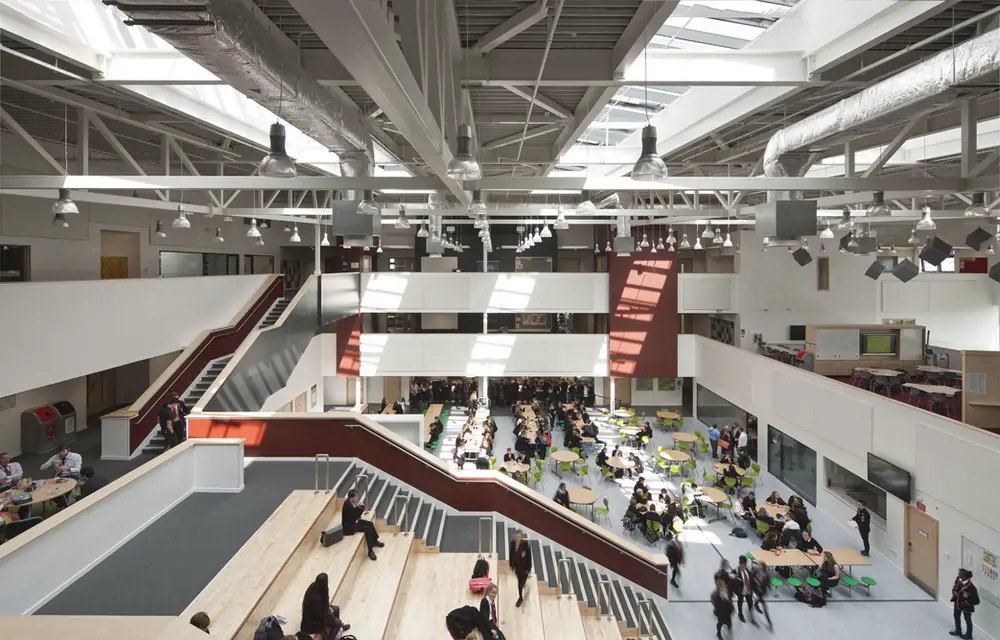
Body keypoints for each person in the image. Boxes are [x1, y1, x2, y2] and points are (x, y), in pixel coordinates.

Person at [300, 573, 350, 638]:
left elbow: (325, 604)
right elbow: (320, 615)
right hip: (313, 622)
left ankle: (337, 628)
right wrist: (330, 614)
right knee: (337, 622)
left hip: (318, 614)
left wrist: (329, 609)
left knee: (336, 609)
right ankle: (332, 636)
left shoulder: (314, 587)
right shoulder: (317, 599)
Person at [342, 489, 384, 560]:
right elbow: (356, 514)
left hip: (354, 521)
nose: (357, 498)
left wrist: (358, 507)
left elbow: (355, 514)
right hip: (349, 527)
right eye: (356, 497)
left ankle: (375, 541)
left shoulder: (350, 503)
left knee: (370, 524)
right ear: (352, 498)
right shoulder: (347, 504)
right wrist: (361, 507)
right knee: (368, 529)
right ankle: (370, 551)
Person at [950, 568, 979, 639]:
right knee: (956, 615)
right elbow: (955, 586)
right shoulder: (958, 579)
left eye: (960, 574)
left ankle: (969, 635)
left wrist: (966, 600)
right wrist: (954, 591)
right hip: (958, 603)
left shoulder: (972, 588)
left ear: (965, 576)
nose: (958, 575)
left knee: (968, 619)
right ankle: (958, 630)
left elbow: (976, 601)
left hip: (966, 606)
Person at [509, 530, 532, 608]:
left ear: (521, 537)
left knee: (521, 582)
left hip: (524, 567)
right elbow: (511, 554)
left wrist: (528, 568)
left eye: (519, 536)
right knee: (519, 582)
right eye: (516, 536)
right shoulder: (512, 544)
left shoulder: (525, 545)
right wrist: (511, 565)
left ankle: (521, 592)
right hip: (517, 567)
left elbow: (529, 557)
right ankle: (520, 596)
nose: (517, 538)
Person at [750, 562, 774, 632]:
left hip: (761, 592)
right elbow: (752, 579)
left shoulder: (766, 575)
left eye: (760, 567)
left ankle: (756, 605)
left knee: (759, 603)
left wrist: (769, 589)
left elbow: (768, 583)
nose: (758, 567)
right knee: (764, 607)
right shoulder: (756, 572)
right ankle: (769, 623)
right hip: (757, 592)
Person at [734, 555, 756, 625]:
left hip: (748, 591)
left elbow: (751, 580)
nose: (743, 567)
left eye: (744, 566)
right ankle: (740, 614)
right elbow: (732, 580)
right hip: (741, 592)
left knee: (750, 604)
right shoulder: (736, 571)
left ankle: (752, 617)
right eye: (741, 566)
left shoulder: (748, 571)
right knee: (740, 603)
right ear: (739, 565)